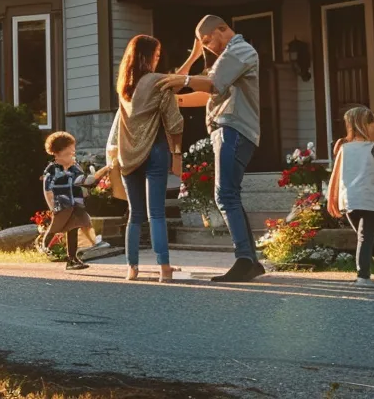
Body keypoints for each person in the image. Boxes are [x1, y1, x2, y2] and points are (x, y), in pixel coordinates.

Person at [160, 15, 267, 282]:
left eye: (208, 41)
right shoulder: (224, 59)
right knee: (229, 194)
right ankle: (250, 260)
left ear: (223, 29)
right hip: (226, 129)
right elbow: (205, 92)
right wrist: (176, 97)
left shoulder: (240, 50)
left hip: (234, 128)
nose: (209, 47)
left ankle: (244, 260)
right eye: (203, 45)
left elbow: (211, 85)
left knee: (225, 195)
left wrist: (180, 81)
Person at [104, 34, 186, 282]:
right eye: (157, 55)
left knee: (135, 214)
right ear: (146, 56)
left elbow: (121, 124)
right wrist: (177, 153)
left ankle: (132, 269)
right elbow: (174, 121)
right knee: (157, 213)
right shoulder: (158, 82)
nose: (158, 59)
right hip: (156, 150)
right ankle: (164, 270)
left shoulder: (123, 87)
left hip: (129, 157)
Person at [324, 106, 374, 287]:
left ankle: (363, 276)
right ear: (364, 125)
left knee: (364, 236)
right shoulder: (344, 148)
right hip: (350, 200)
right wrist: (332, 199)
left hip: (370, 199)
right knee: (365, 237)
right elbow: (336, 175)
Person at [42, 131, 98, 271]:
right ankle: (45, 244)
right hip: (62, 204)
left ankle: (72, 259)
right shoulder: (52, 170)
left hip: (76, 204)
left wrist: (94, 178)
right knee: (57, 226)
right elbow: (47, 190)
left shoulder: (75, 167)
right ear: (57, 153)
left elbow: (82, 181)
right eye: (69, 152)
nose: (72, 154)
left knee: (76, 227)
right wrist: (52, 207)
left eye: (73, 151)